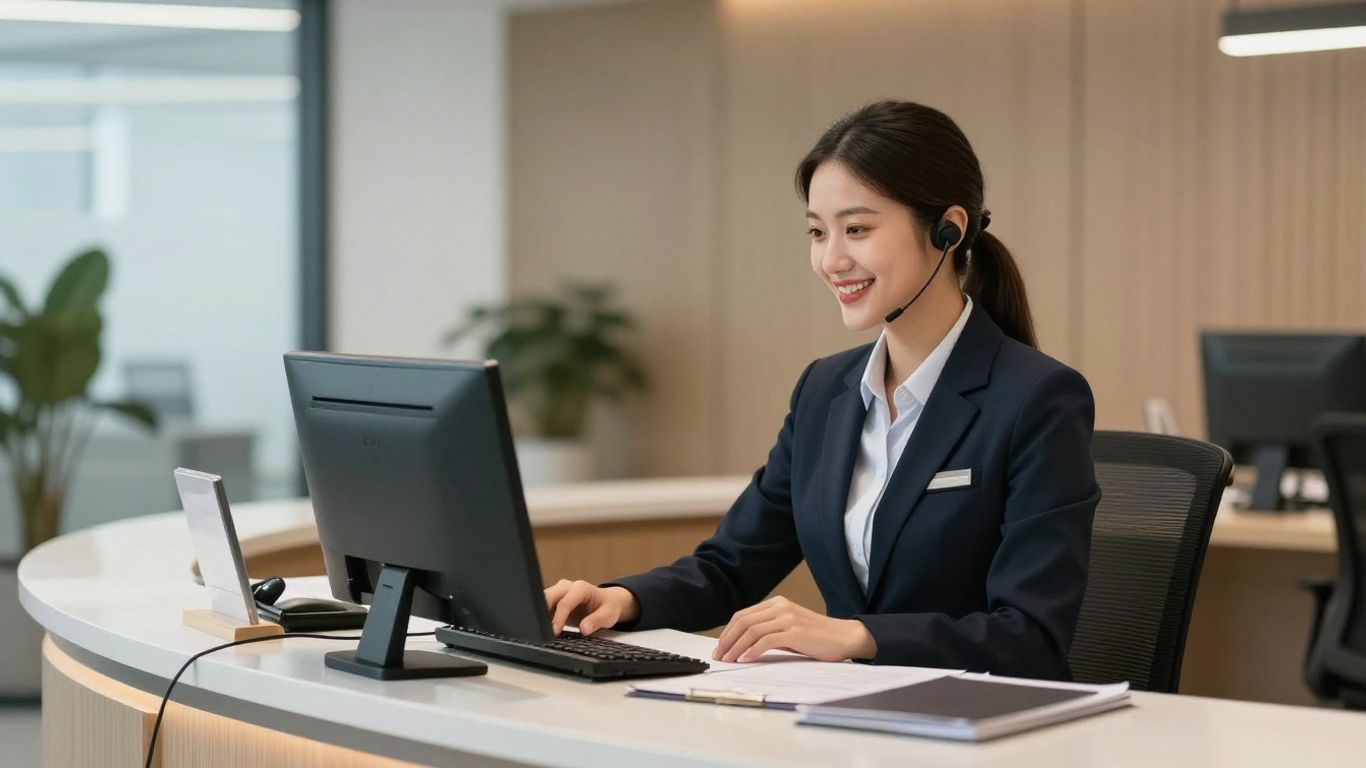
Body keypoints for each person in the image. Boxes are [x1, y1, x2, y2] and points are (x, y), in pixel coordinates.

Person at [543, 100, 1101, 680]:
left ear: (948, 229)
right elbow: (731, 566)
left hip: (978, 728)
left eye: (856, 229)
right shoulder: (825, 391)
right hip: (850, 719)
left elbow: (1030, 637)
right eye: (817, 232)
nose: (831, 260)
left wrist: (856, 636)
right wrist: (620, 600)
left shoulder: (1037, 398)